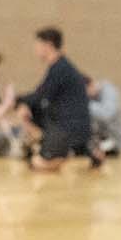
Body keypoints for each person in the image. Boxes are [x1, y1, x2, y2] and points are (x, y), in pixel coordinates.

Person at [16, 26, 103, 172]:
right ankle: (81, 148)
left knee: (38, 164)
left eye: (38, 45)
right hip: (76, 126)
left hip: (68, 128)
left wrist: (17, 102)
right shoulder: (62, 66)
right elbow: (41, 95)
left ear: (48, 45)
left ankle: (61, 152)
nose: (35, 49)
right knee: (30, 109)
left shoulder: (60, 69)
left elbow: (39, 96)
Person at [88, 77, 121, 155]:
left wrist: (83, 103)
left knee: (88, 149)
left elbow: (105, 114)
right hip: (97, 138)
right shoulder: (92, 98)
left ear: (91, 85)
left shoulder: (108, 91)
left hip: (113, 141)